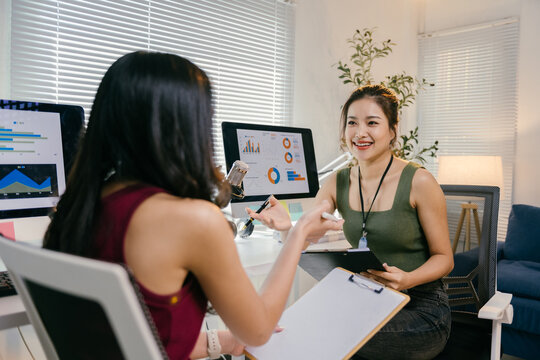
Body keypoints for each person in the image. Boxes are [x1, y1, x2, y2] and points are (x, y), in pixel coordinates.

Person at [42, 51, 343, 360]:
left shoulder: (79, 207)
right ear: (187, 127)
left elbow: (131, 337)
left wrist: (220, 342)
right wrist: (299, 233)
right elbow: (259, 330)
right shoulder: (192, 220)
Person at [248, 84, 454, 360]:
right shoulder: (337, 181)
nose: (360, 133)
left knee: (326, 333)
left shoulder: (420, 181)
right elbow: (309, 233)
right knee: (295, 326)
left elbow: (445, 258)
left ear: (392, 130)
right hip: (368, 301)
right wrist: (289, 227)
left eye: (372, 123)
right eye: (352, 123)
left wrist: (407, 279)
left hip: (421, 308)